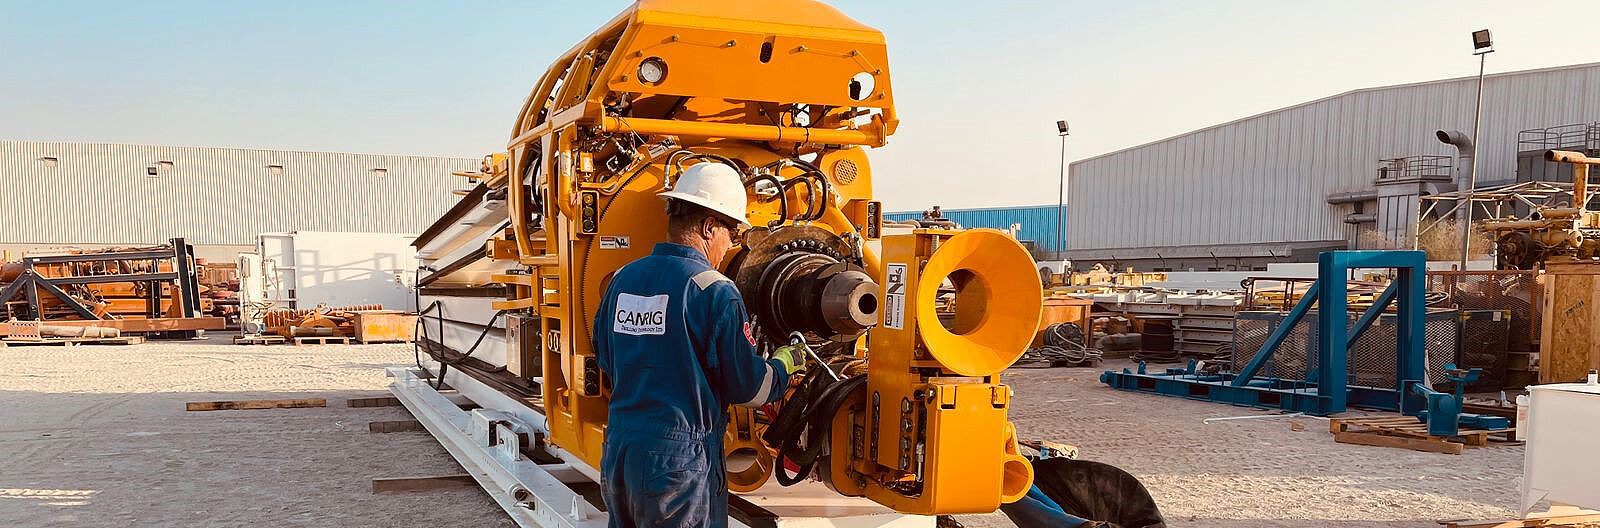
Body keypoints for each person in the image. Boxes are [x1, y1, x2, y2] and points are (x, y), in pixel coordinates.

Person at [592, 162, 806, 528]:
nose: (730, 246)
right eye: (731, 233)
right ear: (709, 228)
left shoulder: (623, 279)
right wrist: (783, 365)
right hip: (678, 463)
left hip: (621, 450)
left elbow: (606, 357)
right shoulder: (713, 289)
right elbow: (749, 387)